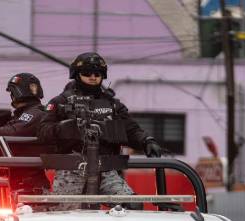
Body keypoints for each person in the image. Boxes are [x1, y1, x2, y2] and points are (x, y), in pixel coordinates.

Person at [38, 52, 162, 199]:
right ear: (77, 74)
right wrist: (64, 128)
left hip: (105, 169)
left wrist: (146, 141)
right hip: (71, 168)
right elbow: (42, 131)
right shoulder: (61, 102)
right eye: (87, 73)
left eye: (97, 73)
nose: (92, 77)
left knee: (131, 204)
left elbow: (130, 129)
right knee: (65, 214)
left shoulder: (113, 104)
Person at [0, 73, 49, 194]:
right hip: (23, 179)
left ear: (16, 93)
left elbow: (14, 132)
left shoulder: (34, 113)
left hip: (30, 183)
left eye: (12, 93)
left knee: (28, 211)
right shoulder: (28, 113)